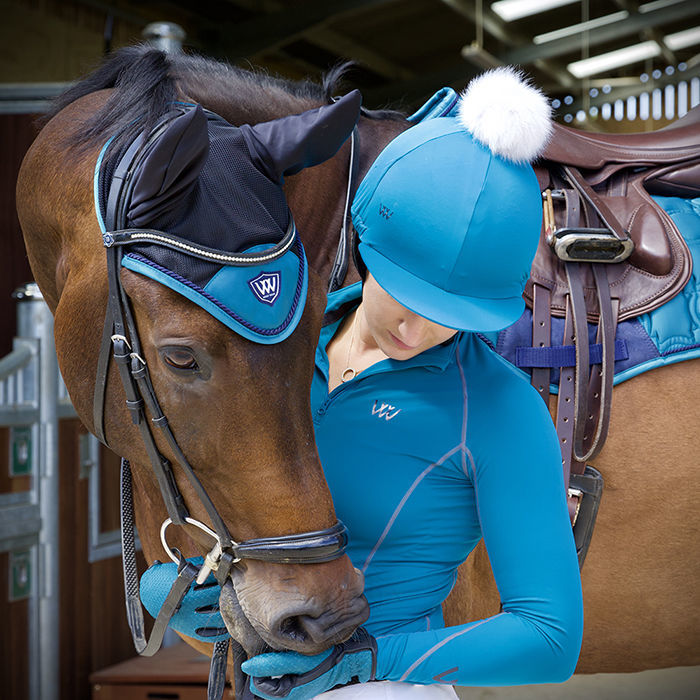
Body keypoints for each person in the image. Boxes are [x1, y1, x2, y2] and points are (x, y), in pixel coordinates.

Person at [241, 67, 583, 698]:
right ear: (368, 243)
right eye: (408, 292)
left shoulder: (500, 409)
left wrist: (370, 660)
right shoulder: (274, 352)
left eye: (455, 315)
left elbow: (550, 637)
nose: (421, 328)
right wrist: (183, 587)